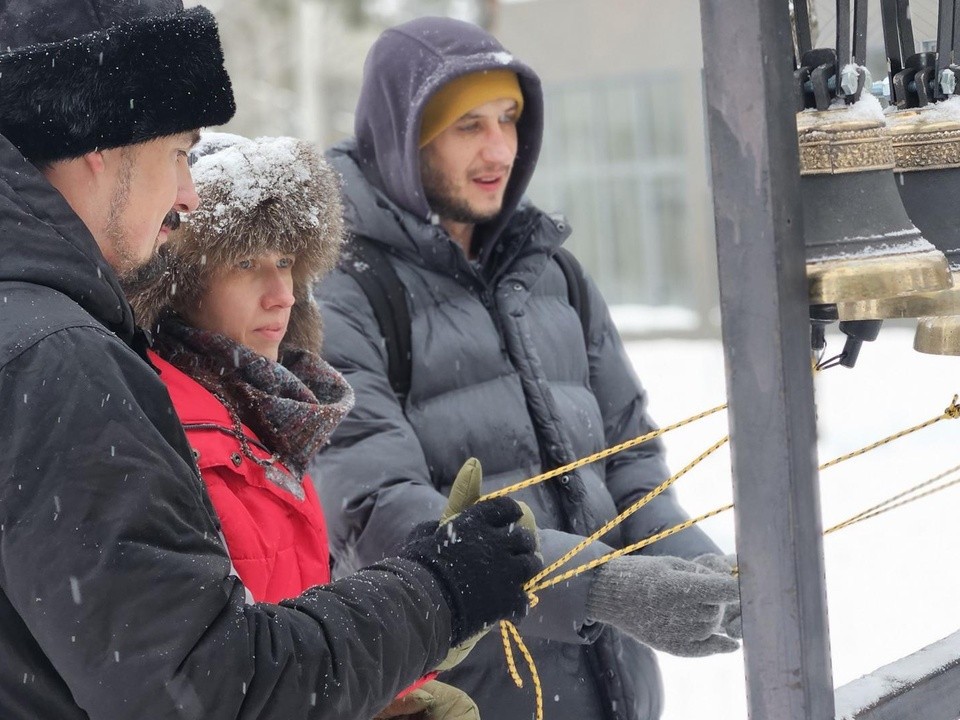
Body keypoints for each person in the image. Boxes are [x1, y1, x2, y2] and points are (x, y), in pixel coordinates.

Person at [0, 3, 541, 719]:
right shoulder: (59, 360)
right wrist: (437, 592)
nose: (188, 194)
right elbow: (211, 689)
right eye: (179, 151)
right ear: (104, 139)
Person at [312, 16, 742, 720]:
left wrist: (695, 564)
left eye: (510, 119)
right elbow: (382, 515)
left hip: (614, 691)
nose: (499, 149)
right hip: (470, 698)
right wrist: (607, 588)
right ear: (404, 135)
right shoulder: (343, 291)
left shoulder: (552, 272)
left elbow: (629, 456)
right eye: (467, 127)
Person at [129, 132, 478, 719]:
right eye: (247, 263)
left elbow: (299, 651)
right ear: (180, 280)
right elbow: (225, 685)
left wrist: (393, 694)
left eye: (287, 262)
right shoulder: (168, 430)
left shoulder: (262, 424)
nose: (282, 294)